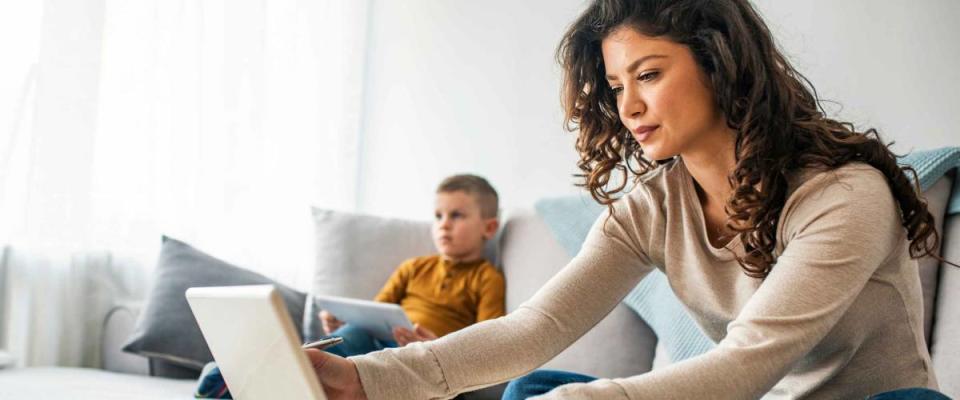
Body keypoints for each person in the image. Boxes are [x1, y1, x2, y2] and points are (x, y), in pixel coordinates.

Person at [304, 1, 954, 399]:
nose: (629, 105)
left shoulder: (843, 196)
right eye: (617, 85)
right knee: (534, 388)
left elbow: (747, 363)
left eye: (649, 74)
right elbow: (535, 330)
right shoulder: (653, 207)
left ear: (719, 63)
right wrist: (369, 379)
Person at [319, 174, 506, 357]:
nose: (444, 224)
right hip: (378, 341)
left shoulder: (488, 279)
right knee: (352, 333)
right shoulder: (414, 267)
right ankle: (312, 364)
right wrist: (343, 321)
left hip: (427, 356)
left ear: (489, 228)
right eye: (438, 216)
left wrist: (437, 349)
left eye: (456, 215)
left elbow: (486, 344)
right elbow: (375, 313)